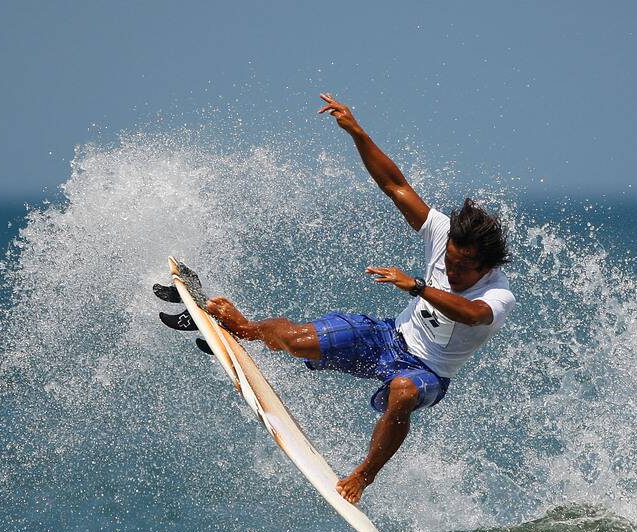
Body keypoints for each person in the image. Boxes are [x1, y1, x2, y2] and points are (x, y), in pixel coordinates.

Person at [206, 93, 515, 504]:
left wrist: (419, 287)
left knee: (403, 391)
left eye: (462, 268)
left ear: (485, 265)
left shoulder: (497, 293)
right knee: (298, 340)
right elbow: (395, 184)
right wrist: (356, 131)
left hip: (429, 373)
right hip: (388, 337)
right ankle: (247, 328)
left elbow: (473, 315)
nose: (452, 270)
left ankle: (363, 475)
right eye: (449, 263)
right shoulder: (443, 234)